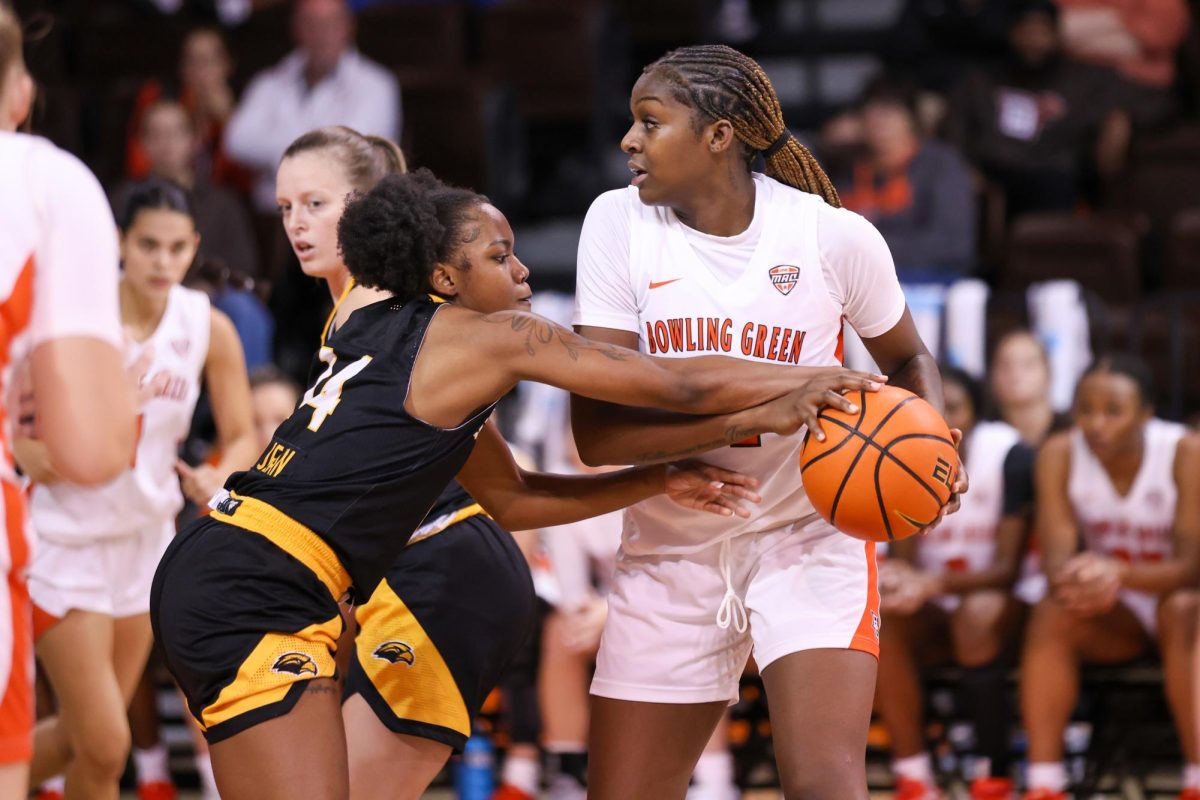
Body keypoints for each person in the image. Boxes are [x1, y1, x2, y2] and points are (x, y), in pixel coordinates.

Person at [152, 156, 881, 797]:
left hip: (248, 573)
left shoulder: (399, 341)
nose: (524, 271)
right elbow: (666, 381)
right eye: (500, 257)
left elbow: (511, 498)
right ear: (444, 277)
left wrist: (657, 479)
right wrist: (811, 382)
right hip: (255, 583)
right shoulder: (485, 337)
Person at [272, 126, 776, 800]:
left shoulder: (402, 311)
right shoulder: (359, 324)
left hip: (437, 575)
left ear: (370, 205)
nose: (297, 225)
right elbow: (505, 497)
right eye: (284, 209)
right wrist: (659, 478)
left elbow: (665, 382)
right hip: (402, 576)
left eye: (316, 203)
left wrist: (789, 390)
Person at [569, 44, 966, 800]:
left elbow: (911, 362)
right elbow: (598, 434)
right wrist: (756, 412)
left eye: (650, 123)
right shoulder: (616, 222)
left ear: (719, 136)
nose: (629, 140)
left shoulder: (830, 236)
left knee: (824, 786)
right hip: (671, 546)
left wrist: (933, 445)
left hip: (808, 533)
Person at [20, 179, 258, 800]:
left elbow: (241, 435)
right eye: (148, 244)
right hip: (64, 538)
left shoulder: (207, 326)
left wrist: (219, 473)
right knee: (106, 741)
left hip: (147, 544)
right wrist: (26, 450)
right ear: (120, 243)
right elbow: (14, 416)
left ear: (194, 247)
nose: (163, 260)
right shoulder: (72, 315)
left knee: (87, 745)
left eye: (177, 247)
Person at [0, 6, 138, 795]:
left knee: (105, 743)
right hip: (48, 537)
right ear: (20, 93)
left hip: (133, 541)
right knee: (99, 737)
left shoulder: (207, 323)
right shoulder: (43, 179)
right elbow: (92, 452)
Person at [1020, 355, 1200, 800]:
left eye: (1113, 411)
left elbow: (1192, 567)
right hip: (1115, 607)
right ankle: (1045, 784)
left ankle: (1196, 778)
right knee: (1053, 611)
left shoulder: (1185, 452)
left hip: (1177, 605)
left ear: (1146, 414)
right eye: (1085, 409)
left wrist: (1118, 571)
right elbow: (1055, 566)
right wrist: (1078, 578)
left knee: (1182, 607)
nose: (1095, 423)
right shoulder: (1059, 452)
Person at [875, 367, 1034, 800]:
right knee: (883, 623)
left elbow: (1007, 570)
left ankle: (994, 770)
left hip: (1000, 603)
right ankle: (914, 775)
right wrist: (901, 582)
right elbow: (905, 562)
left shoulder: (1010, 455)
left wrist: (930, 584)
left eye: (954, 409)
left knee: (975, 615)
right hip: (936, 604)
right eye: (929, 410)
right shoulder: (899, 456)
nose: (941, 421)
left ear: (975, 416)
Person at [946, 0, 1131, 219]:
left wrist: (1119, 121)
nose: (1033, 41)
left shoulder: (1083, 79)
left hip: (1053, 172)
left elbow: (1131, 104)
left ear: (1056, 36)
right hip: (994, 169)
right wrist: (962, 166)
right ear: (1011, 33)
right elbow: (954, 129)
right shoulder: (981, 79)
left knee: (1054, 190)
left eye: (1042, 32)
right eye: (1026, 31)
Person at [223, 0, 400, 211]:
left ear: (350, 27)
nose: (321, 34)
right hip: (270, 222)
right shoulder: (269, 81)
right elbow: (236, 141)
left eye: (330, 24)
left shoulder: (378, 85)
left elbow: (349, 154)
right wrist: (316, 143)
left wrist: (274, 153)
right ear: (296, 29)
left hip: (348, 225)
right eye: (312, 24)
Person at [837, 77, 977, 283]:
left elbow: (954, 245)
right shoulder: (847, 167)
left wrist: (869, 248)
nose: (881, 121)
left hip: (929, 281)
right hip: (857, 283)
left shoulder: (941, 165)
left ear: (912, 119)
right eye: (873, 111)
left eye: (891, 112)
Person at [126, 27, 252, 194]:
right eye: (192, 61)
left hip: (216, 207)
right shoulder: (159, 98)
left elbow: (246, 182)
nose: (200, 72)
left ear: (227, 65)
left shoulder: (246, 110)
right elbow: (137, 165)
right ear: (181, 68)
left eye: (208, 61)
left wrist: (228, 120)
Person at [988, 329, 1071, 445]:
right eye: (1005, 365)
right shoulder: (985, 437)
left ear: (1048, 373)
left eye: (1028, 364)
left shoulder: (1071, 432)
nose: (1015, 374)